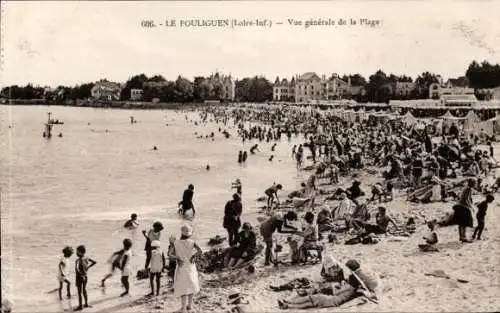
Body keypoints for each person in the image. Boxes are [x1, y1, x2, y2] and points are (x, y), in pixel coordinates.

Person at [169, 224, 203, 313]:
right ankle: (189, 306)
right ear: (190, 234)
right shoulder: (192, 242)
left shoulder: (176, 242)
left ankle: (183, 308)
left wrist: (177, 258)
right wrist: (194, 256)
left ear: (182, 233)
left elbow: (169, 254)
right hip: (191, 266)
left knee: (183, 286)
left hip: (181, 266)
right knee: (191, 284)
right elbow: (200, 251)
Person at [74, 245, 96, 311]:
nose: (76, 253)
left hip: (79, 278)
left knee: (79, 292)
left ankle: (80, 306)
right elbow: (94, 262)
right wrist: (87, 267)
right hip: (85, 276)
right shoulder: (86, 258)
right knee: (84, 291)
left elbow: (77, 269)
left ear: (80, 253)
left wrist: (80, 275)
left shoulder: (78, 260)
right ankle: (86, 304)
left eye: (77, 252)